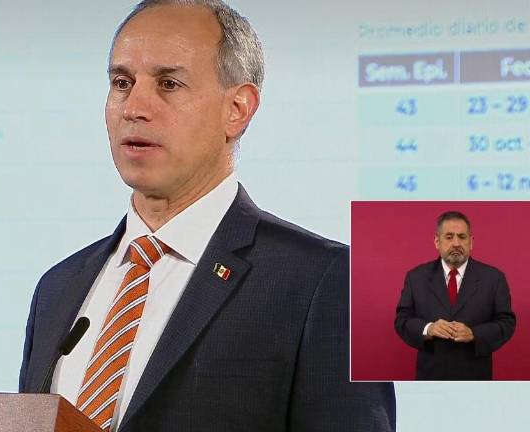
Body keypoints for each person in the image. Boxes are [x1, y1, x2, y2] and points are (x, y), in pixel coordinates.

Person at [20, 1, 396, 430]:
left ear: (237, 108)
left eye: (168, 84)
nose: (134, 107)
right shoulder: (58, 288)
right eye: (122, 82)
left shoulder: (325, 282)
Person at [395, 211, 516, 380]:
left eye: (462, 237)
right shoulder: (416, 277)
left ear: (471, 242)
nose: (456, 243)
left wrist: (474, 334)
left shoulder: (494, 278)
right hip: (430, 377)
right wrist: (428, 328)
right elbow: (402, 320)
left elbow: (507, 323)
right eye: (449, 237)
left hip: (476, 377)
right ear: (437, 242)